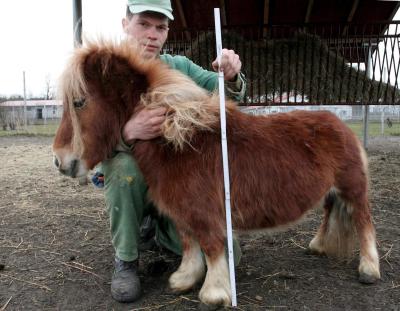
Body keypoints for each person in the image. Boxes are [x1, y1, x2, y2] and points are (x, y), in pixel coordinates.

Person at [101, 0, 247, 303]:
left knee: (227, 253)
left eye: (161, 27)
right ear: (125, 24)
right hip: (134, 182)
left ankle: (159, 228)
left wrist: (231, 75)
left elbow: (223, 91)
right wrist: (128, 133)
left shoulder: (179, 67)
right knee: (124, 171)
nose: (152, 35)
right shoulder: (105, 78)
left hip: (176, 187)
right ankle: (126, 260)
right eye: (144, 24)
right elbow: (88, 140)